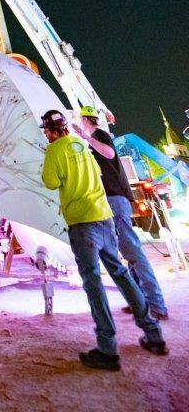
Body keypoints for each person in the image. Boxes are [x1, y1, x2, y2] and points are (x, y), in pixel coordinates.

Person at [40, 109, 168, 370]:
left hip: (82, 222)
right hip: (104, 216)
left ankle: (107, 348)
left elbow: (50, 182)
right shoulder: (83, 145)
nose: (46, 136)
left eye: (46, 132)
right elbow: (98, 173)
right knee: (120, 272)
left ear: (52, 132)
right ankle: (153, 334)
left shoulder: (55, 149)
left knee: (93, 282)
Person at [73, 105, 168, 319]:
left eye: (80, 120)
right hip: (110, 200)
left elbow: (109, 152)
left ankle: (157, 305)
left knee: (133, 252)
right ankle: (139, 300)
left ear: (86, 120)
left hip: (115, 199)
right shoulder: (97, 138)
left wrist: (84, 137)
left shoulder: (100, 135)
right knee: (126, 253)